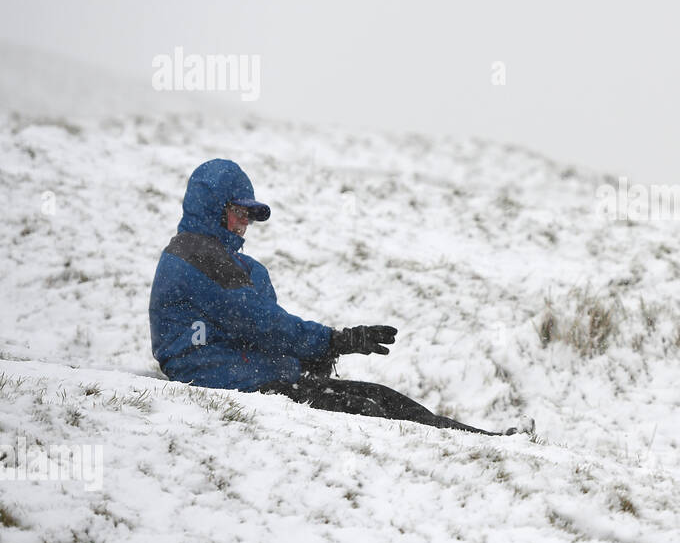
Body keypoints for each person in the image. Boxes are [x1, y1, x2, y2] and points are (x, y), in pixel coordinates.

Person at [149, 159, 527, 436]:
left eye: (249, 215)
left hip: (250, 375)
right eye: (238, 212)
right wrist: (336, 341)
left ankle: (486, 440)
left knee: (381, 396)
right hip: (225, 380)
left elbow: (258, 327)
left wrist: (310, 352)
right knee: (365, 408)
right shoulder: (198, 256)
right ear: (214, 209)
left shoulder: (219, 259)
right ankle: (474, 445)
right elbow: (264, 324)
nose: (245, 223)